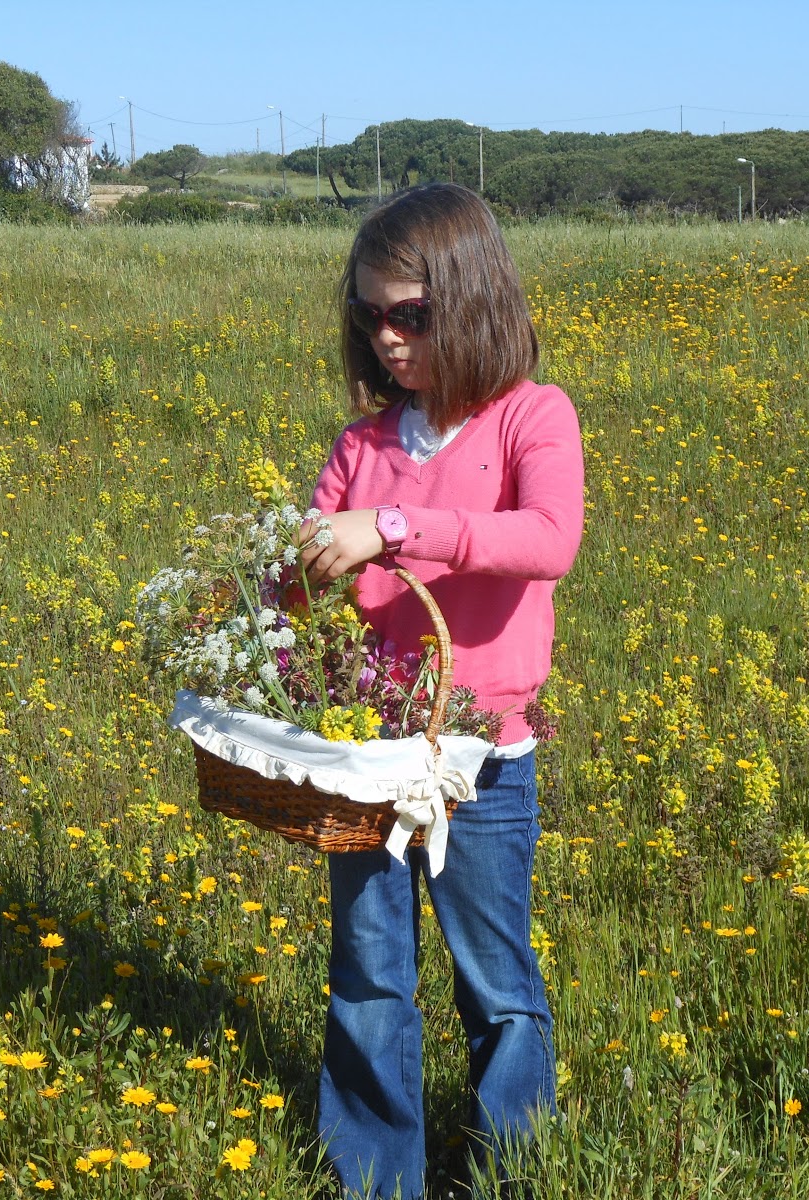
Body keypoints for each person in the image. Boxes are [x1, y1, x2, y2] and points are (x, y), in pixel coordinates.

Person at [300, 182, 585, 1200]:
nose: (387, 337)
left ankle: (515, 1170)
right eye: (369, 315)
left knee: (496, 984)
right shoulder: (362, 444)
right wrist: (280, 572)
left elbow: (546, 542)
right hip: (361, 760)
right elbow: (306, 583)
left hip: (483, 760)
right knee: (370, 979)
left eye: (410, 314)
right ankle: (379, 1180)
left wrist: (388, 529)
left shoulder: (530, 418)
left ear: (470, 301)